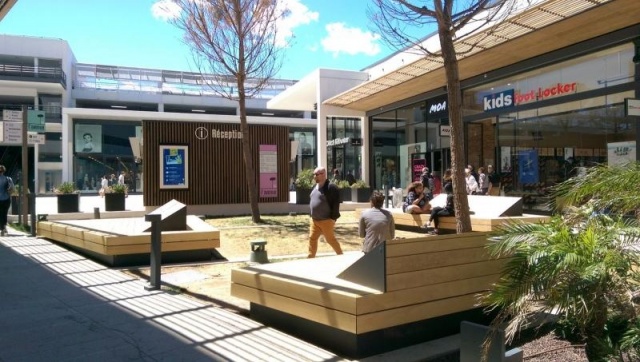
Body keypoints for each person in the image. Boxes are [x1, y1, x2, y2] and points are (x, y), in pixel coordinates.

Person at [307, 166, 343, 258]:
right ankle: (310, 257)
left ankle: (341, 256)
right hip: (314, 221)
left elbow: (336, 204)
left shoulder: (331, 187)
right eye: (314, 174)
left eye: (316, 174)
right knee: (312, 238)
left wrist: (333, 219)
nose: (314, 176)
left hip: (326, 221)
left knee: (330, 240)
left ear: (323, 174)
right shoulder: (315, 186)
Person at [424, 169, 454, 235]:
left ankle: (436, 229)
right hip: (448, 208)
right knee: (435, 208)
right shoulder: (450, 195)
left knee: (436, 213)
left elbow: (450, 207)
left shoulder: (451, 195)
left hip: (451, 211)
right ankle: (429, 222)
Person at [0, 165, 14, 236]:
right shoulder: (8, 179)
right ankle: (4, 227)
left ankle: (2, 228)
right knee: (4, 213)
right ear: (4, 171)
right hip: (6, 199)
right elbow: (13, 189)